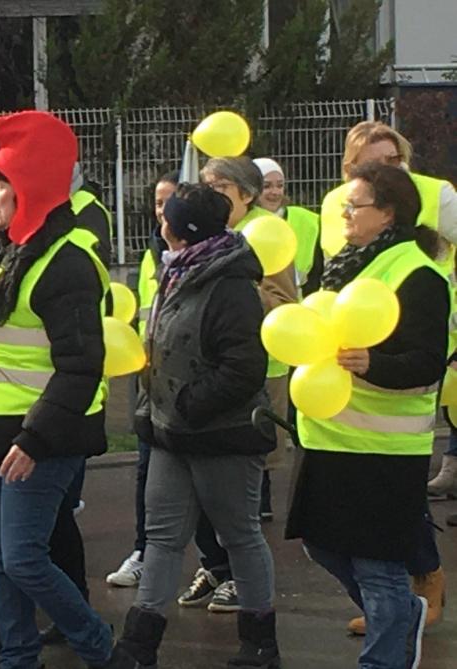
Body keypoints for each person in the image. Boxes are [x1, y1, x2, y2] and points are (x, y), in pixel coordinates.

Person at [0, 110, 118, 669]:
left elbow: (80, 366)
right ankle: (18, 658)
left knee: (23, 559)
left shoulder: (67, 260)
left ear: (31, 187)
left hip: (37, 438)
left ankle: (102, 649)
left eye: (1, 182)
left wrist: (35, 440)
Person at [106, 183, 280, 669]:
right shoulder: (174, 274)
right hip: (169, 433)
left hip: (220, 436)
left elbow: (243, 368)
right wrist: (154, 410)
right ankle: (138, 648)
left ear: (182, 230)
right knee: (162, 538)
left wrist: (189, 404)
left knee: (239, 536)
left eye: (167, 217)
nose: (159, 223)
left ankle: (260, 644)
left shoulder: (229, 286)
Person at [286, 162, 449, 669]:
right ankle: (404, 616)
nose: (344, 212)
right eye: (345, 204)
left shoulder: (417, 275)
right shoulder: (347, 261)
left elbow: (425, 364)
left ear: (389, 214)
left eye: (355, 206)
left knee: (377, 569)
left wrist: (373, 364)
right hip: (329, 438)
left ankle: (384, 658)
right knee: (321, 547)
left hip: (384, 451)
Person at [174, 157, 295, 614]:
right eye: (206, 184)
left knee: (238, 494)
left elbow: (285, 300)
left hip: (255, 372)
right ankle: (215, 566)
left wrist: (232, 282)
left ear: (247, 193)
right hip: (201, 370)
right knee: (199, 487)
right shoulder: (203, 229)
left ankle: (243, 581)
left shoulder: (268, 235)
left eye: (221, 185)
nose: (212, 192)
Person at [106, 171, 178, 589]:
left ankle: (222, 566)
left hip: (184, 389)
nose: (161, 211)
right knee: (145, 471)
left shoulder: (211, 255)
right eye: (156, 202)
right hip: (151, 377)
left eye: (170, 201)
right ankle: (143, 552)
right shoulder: (153, 251)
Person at [320, 121, 457, 265]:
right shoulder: (332, 201)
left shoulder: (436, 192)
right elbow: (331, 263)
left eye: (392, 160)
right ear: (350, 169)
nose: (385, 169)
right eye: (374, 164)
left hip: (425, 286)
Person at [253, 157, 323, 294]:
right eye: (267, 186)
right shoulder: (243, 222)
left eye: (280, 185)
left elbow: (317, 271)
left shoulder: (308, 220)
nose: (275, 192)